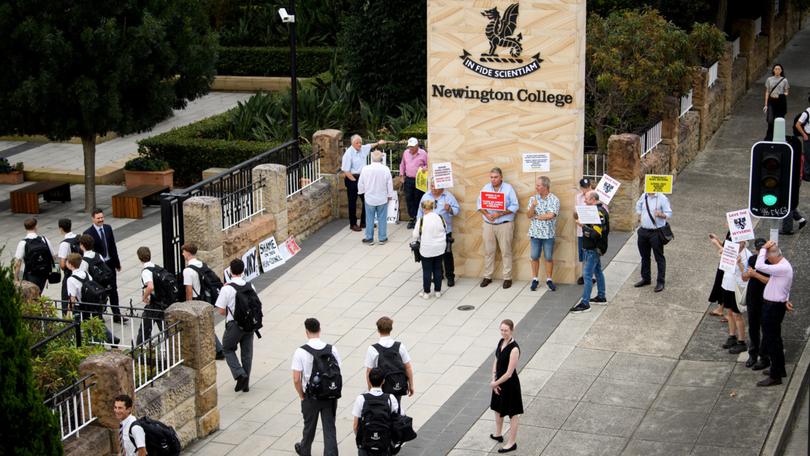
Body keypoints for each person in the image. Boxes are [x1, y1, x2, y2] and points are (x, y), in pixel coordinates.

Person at [292, 318, 342, 456]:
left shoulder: (300, 352)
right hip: (329, 395)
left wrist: (301, 395)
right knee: (329, 428)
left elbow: (296, 379)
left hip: (310, 396)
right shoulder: (332, 349)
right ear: (320, 330)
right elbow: (338, 372)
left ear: (306, 332)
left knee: (309, 427)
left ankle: (305, 450)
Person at [755, 240, 794, 387]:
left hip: (773, 308)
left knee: (772, 341)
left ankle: (775, 376)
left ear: (773, 255)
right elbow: (784, 287)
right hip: (775, 306)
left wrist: (764, 249)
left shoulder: (782, 267)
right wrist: (786, 299)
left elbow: (758, 266)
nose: (766, 259)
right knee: (775, 340)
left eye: (767, 256)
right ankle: (779, 369)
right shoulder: (782, 266)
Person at [215, 259, 255, 393]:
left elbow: (220, 310)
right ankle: (246, 383)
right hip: (249, 325)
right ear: (243, 270)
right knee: (247, 354)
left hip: (234, 325)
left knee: (227, 348)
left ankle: (239, 374)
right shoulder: (250, 285)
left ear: (230, 271)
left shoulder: (226, 288)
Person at [477, 167, 519, 289]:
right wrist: (487, 215)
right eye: (491, 177)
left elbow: (515, 206)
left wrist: (499, 214)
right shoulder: (485, 188)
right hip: (488, 224)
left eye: (496, 177)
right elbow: (479, 204)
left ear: (501, 177)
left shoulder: (508, 188)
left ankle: (507, 277)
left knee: (506, 251)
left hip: (504, 224)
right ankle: (487, 276)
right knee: (488, 251)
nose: (493, 179)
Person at [181, 243, 224, 360]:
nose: (182, 254)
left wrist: (188, 305)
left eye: (183, 252)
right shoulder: (201, 264)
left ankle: (218, 350)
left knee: (202, 325)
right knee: (205, 324)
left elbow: (189, 290)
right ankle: (216, 349)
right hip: (207, 298)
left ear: (188, 253)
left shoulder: (187, 271)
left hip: (196, 300)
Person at [84, 208, 125, 322]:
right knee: (100, 291)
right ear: (93, 219)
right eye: (98, 218)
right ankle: (99, 316)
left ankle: (117, 314)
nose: (101, 220)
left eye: (102, 217)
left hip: (110, 264)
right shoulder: (88, 233)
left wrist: (117, 263)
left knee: (113, 289)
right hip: (98, 266)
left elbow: (112, 246)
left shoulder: (108, 228)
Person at [365, 317, 414, 412]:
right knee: (396, 407)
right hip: (397, 384)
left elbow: (369, 372)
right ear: (391, 329)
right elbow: (408, 367)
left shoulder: (373, 349)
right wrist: (411, 385)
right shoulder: (400, 346)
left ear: (378, 330)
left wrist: (371, 388)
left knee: (383, 410)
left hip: (382, 386)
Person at [417, 178, 460, 286]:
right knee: (434, 254)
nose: (433, 189)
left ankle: (450, 276)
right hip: (429, 232)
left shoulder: (448, 196)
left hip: (444, 231)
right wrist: (419, 228)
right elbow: (420, 212)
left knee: (447, 254)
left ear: (442, 187)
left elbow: (457, 210)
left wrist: (449, 209)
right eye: (431, 186)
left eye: (435, 187)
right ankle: (438, 274)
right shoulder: (426, 196)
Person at [571, 191, 608, 313]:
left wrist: (583, 226)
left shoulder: (598, 213)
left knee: (587, 275)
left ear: (593, 199)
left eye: (586, 199)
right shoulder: (598, 210)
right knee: (597, 271)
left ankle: (585, 303)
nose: (585, 201)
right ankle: (601, 296)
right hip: (594, 248)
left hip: (593, 248)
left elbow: (596, 234)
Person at [489, 319, 522, 454]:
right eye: (501, 330)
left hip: (509, 385)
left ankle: (512, 442)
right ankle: (498, 434)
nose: (503, 333)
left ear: (512, 330)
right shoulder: (501, 342)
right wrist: (494, 378)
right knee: (497, 408)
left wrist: (495, 384)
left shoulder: (514, 349)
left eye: (506, 330)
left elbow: (509, 373)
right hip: (498, 382)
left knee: (513, 414)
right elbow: (496, 360)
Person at [342, 135, 385, 231]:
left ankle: (364, 222)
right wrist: (354, 181)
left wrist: (378, 143)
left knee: (367, 200)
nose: (359, 144)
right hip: (352, 178)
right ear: (352, 144)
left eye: (360, 142)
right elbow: (346, 170)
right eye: (357, 143)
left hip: (362, 178)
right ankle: (353, 224)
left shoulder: (363, 149)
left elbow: (370, 146)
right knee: (352, 202)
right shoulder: (348, 154)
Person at [353, 367, 399, 456]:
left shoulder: (361, 399)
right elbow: (397, 421)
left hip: (366, 446)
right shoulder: (390, 398)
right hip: (384, 444)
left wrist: (361, 439)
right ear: (383, 381)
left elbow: (355, 426)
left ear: (369, 381)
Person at [634, 191, 672, 293]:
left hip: (656, 232)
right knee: (644, 256)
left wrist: (660, 214)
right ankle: (646, 278)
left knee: (659, 257)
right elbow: (638, 206)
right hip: (643, 230)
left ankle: (660, 282)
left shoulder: (662, 198)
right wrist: (640, 214)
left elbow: (669, 214)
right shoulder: (644, 195)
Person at [717, 241, 751, 355]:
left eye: (740, 241)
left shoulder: (748, 255)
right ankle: (732, 336)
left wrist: (740, 263)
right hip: (727, 284)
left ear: (744, 243)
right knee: (729, 312)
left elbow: (747, 275)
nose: (737, 243)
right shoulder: (730, 250)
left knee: (737, 315)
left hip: (737, 287)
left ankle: (741, 341)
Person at [527, 176, 560, 291]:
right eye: (536, 185)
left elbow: (551, 215)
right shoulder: (533, 199)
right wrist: (533, 206)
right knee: (534, 256)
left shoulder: (554, 199)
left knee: (548, 257)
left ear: (545, 186)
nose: (536, 187)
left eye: (538, 185)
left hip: (548, 234)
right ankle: (535, 279)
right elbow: (529, 215)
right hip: (535, 233)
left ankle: (549, 280)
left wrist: (539, 216)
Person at [742, 238, 771, 369]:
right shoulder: (752, 259)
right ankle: (753, 354)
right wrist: (747, 274)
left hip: (766, 299)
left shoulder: (771, 261)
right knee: (753, 328)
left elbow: (771, 281)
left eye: (763, 249)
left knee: (765, 328)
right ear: (755, 250)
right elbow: (744, 277)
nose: (761, 252)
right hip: (752, 298)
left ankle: (764, 356)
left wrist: (755, 274)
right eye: (759, 250)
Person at [358, 150, 395, 245]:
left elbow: (361, 183)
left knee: (369, 218)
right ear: (381, 159)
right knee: (382, 218)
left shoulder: (365, 169)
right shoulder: (385, 169)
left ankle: (369, 238)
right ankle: (382, 238)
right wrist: (390, 195)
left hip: (369, 197)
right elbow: (389, 184)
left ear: (371, 158)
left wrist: (361, 192)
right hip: (382, 198)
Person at [413, 199, 447, 298]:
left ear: (423, 208)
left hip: (427, 249)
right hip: (440, 247)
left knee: (427, 270)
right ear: (433, 207)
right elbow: (445, 229)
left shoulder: (422, 220)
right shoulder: (440, 217)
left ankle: (426, 292)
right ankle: (438, 291)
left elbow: (415, 234)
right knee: (437, 269)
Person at [13, 217, 55, 292]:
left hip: (31, 275)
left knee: (31, 296)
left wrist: (16, 278)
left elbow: (17, 263)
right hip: (44, 274)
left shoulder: (23, 243)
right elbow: (53, 257)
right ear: (36, 226)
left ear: (25, 228)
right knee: (39, 293)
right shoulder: (44, 239)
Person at [136, 247, 165, 345]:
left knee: (144, 331)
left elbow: (150, 286)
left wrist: (144, 297)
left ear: (139, 258)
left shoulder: (146, 271)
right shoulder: (156, 267)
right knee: (166, 329)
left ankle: (138, 352)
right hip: (162, 302)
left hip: (153, 304)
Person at [398, 137, 428, 229]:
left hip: (419, 179)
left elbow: (428, 164)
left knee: (418, 199)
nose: (410, 149)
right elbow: (402, 164)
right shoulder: (406, 153)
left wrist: (425, 168)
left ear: (417, 146)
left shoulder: (423, 153)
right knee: (409, 199)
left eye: (412, 147)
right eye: (409, 146)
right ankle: (412, 218)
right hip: (409, 179)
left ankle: (419, 219)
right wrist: (401, 175)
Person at [764, 63, 789, 141]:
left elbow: (786, 92)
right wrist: (766, 104)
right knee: (770, 120)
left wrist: (780, 95)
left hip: (780, 101)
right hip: (771, 101)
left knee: (779, 119)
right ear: (773, 70)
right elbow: (767, 91)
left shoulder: (784, 80)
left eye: (779, 69)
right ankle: (769, 137)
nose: (777, 70)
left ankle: (779, 136)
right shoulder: (769, 79)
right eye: (776, 69)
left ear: (781, 71)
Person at [576, 178, 594, 285]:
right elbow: (576, 211)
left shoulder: (595, 196)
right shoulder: (578, 197)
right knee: (582, 253)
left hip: (592, 230)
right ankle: (584, 274)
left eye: (587, 187)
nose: (585, 190)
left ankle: (591, 275)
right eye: (584, 188)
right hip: (581, 229)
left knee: (591, 253)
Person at [57, 218, 79, 305]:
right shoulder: (78, 238)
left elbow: (62, 265)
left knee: (67, 299)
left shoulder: (64, 244)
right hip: (81, 272)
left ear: (61, 229)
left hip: (70, 274)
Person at [795, 94, 810, 181]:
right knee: (808, 156)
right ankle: (807, 174)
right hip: (808, 136)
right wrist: (804, 134)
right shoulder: (807, 112)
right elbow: (798, 124)